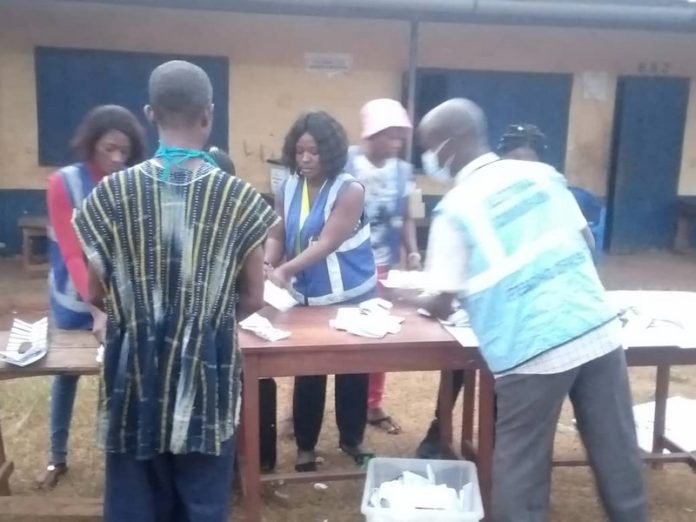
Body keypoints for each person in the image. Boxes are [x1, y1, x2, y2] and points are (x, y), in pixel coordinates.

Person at [415, 98, 647, 522]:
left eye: (430, 146)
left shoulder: (454, 211)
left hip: (530, 348)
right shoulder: (542, 176)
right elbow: (587, 243)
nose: (429, 158)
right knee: (617, 453)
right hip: (593, 327)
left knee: (520, 469)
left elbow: (442, 298)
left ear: (452, 144)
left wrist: (415, 299)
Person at [72, 60, 278, 521]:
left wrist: (140, 314)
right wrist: (204, 321)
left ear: (149, 113)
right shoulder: (240, 200)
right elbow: (254, 296)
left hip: (133, 379)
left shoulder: (108, 195)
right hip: (207, 378)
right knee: (203, 504)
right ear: (208, 115)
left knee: (133, 506)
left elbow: (94, 290)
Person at [38, 104, 146, 489]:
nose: (117, 158)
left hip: (122, 298)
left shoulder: (133, 182)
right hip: (73, 297)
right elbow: (71, 252)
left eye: (125, 151)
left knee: (120, 375)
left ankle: (122, 458)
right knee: (65, 374)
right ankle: (57, 456)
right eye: (109, 149)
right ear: (91, 144)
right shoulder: (63, 184)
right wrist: (97, 310)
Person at [264, 110, 376, 472]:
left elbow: (327, 242)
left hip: (348, 294)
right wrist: (268, 263)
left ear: (330, 152)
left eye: (313, 152)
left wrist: (284, 269)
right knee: (308, 369)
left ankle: (352, 439)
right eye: (300, 152)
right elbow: (277, 232)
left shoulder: (350, 190)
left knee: (352, 372)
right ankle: (306, 446)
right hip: (305, 295)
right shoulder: (288, 186)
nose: (306, 159)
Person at [344, 98, 420, 435]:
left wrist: (413, 253)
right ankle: (302, 408)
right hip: (342, 264)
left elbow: (405, 217)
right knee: (326, 336)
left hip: (382, 266)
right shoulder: (345, 162)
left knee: (378, 336)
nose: (397, 143)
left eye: (400, 137)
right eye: (390, 135)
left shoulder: (402, 171)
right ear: (370, 134)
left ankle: (372, 404)